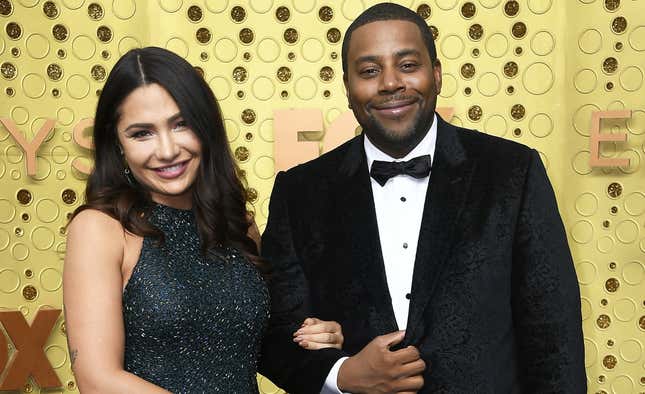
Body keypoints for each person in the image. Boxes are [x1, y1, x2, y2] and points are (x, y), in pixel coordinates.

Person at [259, 3, 586, 393]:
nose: (390, 83)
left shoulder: (513, 172)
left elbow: (554, 335)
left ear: (437, 75)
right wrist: (341, 373)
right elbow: (276, 334)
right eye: (368, 71)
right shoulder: (300, 191)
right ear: (347, 89)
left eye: (408, 65)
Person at [63, 46, 343, 393]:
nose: (166, 150)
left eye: (181, 125)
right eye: (141, 133)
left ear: (206, 127)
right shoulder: (100, 228)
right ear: (117, 143)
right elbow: (97, 379)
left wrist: (317, 336)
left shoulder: (238, 223)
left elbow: (260, 345)